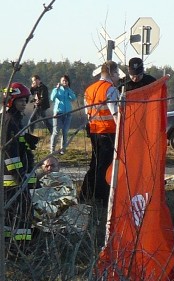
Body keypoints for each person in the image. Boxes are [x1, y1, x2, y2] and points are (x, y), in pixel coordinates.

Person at [80, 61, 121, 204]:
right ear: (112, 73)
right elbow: (115, 113)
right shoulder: (111, 90)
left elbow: (87, 112)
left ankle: (85, 194)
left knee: (95, 164)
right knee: (104, 166)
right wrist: (122, 130)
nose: (118, 77)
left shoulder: (89, 90)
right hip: (108, 132)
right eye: (117, 74)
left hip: (94, 131)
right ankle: (100, 197)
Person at [3, 82, 36, 249]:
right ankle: (16, 249)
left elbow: (18, 144)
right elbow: (9, 151)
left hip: (19, 175)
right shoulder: (9, 121)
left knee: (23, 211)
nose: (24, 103)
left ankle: (20, 247)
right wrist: (18, 175)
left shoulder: (16, 120)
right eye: (20, 100)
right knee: (20, 212)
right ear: (11, 101)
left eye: (25, 100)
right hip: (11, 179)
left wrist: (28, 143)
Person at [49, 74, 77, 154]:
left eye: (66, 81)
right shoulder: (57, 90)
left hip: (68, 113)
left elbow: (74, 98)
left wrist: (69, 90)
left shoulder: (69, 90)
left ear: (68, 82)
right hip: (58, 113)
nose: (64, 82)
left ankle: (63, 149)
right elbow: (52, 98)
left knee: (65, 131)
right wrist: (56, 89)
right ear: (60, 82)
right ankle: (52, 149)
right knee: (56, 132)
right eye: (63, 81)